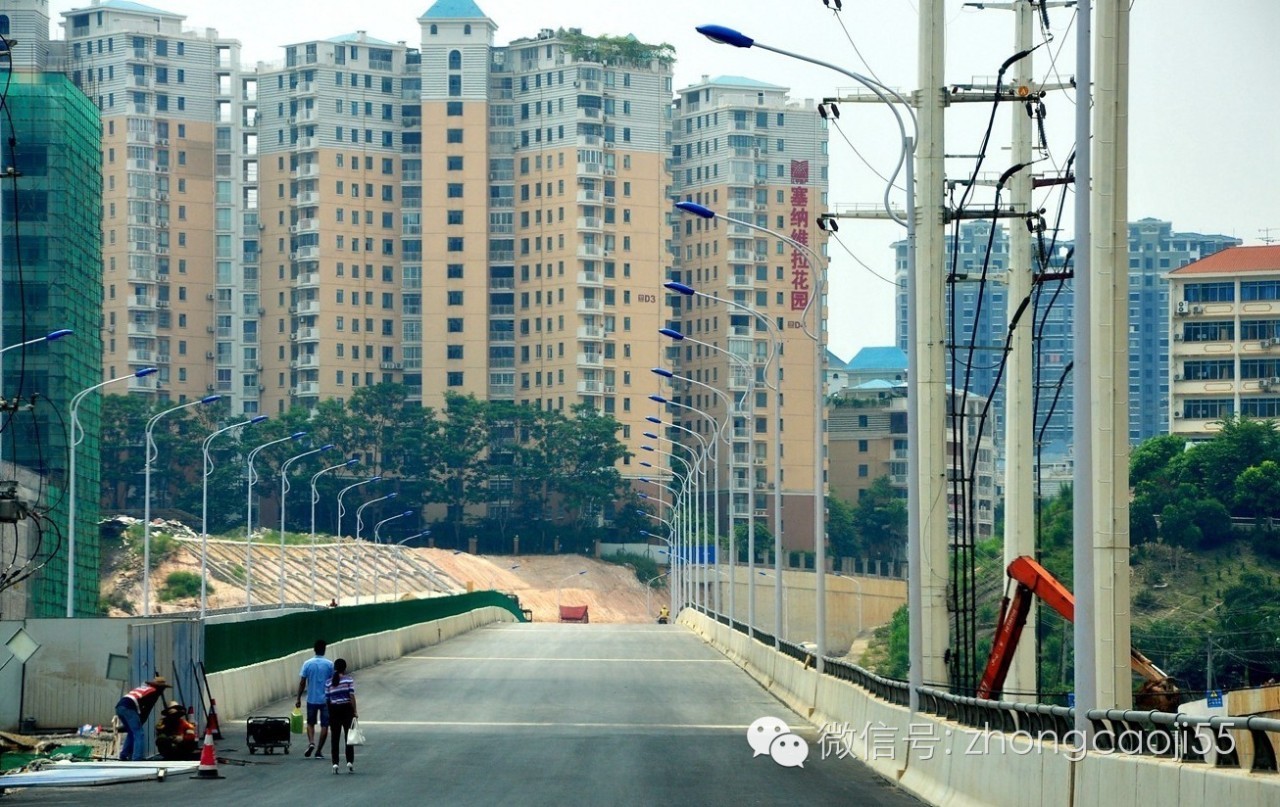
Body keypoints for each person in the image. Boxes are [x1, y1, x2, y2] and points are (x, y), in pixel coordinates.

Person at [296, 639, 335, 759]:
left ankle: (311, 742)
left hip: (311, 699)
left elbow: (302, 682)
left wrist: (298, 698)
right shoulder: (329, 664)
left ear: (314, 650)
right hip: (325, 700)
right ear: (324, 650)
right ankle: (318, 750)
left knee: (310, 723)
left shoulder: (308, 664)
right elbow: (333, 682)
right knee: (325, 725)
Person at [115, 676, 169, 760]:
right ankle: (137, 758)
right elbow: (147, 709)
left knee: (131, 732)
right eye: (163, 688)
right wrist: (141, 721)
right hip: (129, 707)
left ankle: (124, 755)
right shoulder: (154, 692)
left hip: (120, 707)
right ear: (160, 688)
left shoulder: (145, 688)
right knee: (139, 733)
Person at [324, 658, 358, 774]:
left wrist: (329, 714)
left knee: (335, 738)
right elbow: (351, 696)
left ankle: (335, 763)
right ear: (345, 668)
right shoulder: (348, 680)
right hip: (347, 710)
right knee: (348, 737)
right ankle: (349, 761)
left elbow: (327, 700)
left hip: (334, 711)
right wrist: (355, 711)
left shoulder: (328, 682)